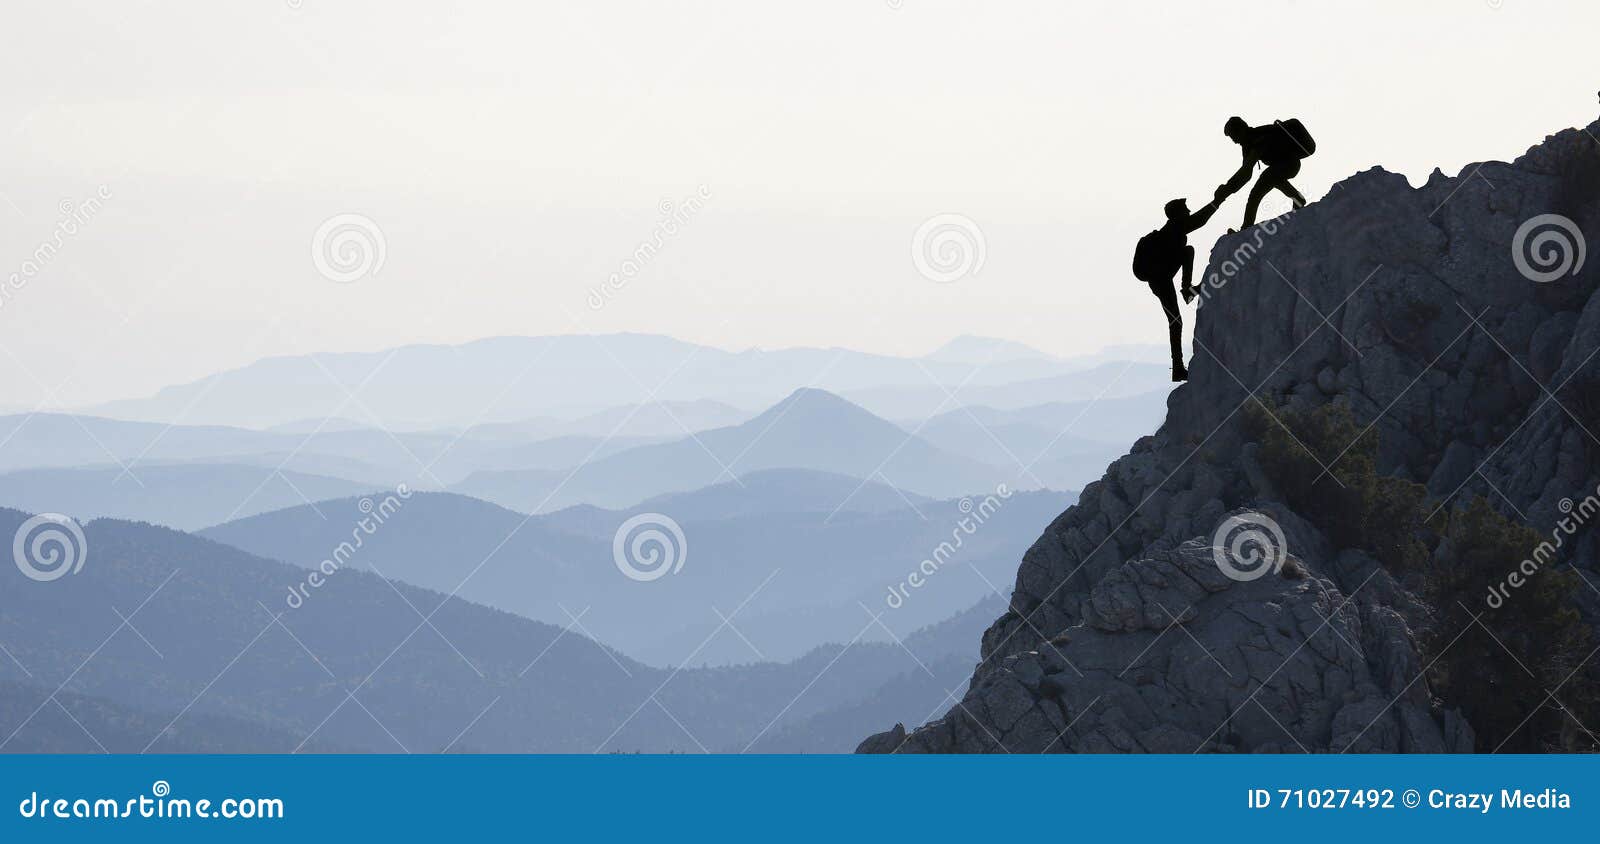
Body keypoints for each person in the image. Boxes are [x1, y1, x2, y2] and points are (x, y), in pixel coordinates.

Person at [1131, 192, 1224, 382]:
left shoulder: (1172, 229)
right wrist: (1218, 200)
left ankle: (1187, 290)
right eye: (1185, 210)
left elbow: (1197, 220)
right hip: (1161, 280)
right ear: (1177, 215)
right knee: (1176, 322)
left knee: (1187, 251)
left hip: (1160, 278)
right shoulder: (1175, 228)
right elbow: (1200, 219)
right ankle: (1178, 368)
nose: (1189, 212)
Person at [1218, 116, 1313, 229]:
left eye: (1234, 136)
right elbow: (1245, 175)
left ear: (1241, 130)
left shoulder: (1258, 138)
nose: (1234, 141)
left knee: (1260, 187)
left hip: (1290, 163)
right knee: (1267, 183)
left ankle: (1246, 227)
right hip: (1280, 166)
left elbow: (1246, 170)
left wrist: (1226, 189)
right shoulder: (1247, 145)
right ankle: (1298, 199)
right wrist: (1227, 190)